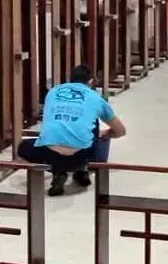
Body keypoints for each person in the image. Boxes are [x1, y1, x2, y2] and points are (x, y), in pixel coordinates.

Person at [16, 64, 126, 196]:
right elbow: (121, 131)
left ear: (70, 79)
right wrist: (102, 134)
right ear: (90, 81)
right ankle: (82, 170)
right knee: (93, 121)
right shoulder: (96, 98)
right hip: (81, 155)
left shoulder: (53, 91)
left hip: (49, 154)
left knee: (23, 147)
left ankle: (59, 172)